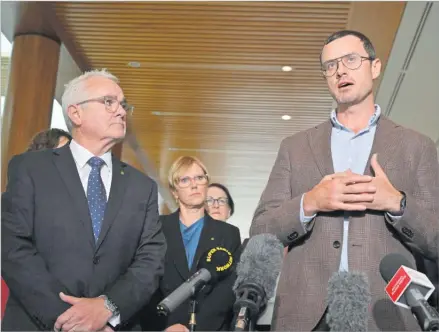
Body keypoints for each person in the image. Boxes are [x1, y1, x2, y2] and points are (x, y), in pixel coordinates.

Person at [250, 30, 439, 331]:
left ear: (375, 67)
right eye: (330, 65)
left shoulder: (417, 146)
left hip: (386, 313)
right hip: (307, 316)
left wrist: (397, 203)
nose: (340, 71)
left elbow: (436, 238)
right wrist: (309, 202)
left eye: (351, 59)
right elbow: (261, 231)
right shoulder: (295, 146)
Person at [1, 69, 166, 331]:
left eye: (123, 104)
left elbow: (150, 261)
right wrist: (71, 319)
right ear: (76, 113)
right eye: (109, 102)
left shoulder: (142, 187)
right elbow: (13, 248)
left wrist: (108, 309)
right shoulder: (30, 169)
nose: (121, 111)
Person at [144, 156, 242, 332]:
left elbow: (226, 291)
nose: (194, 184)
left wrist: (193, 327)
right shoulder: (156, 228)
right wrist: (168, 326)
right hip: (164, 326)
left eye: (199, 178)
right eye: (185, 180)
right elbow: (146, 281)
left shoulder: (228, 234)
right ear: (174, 191)